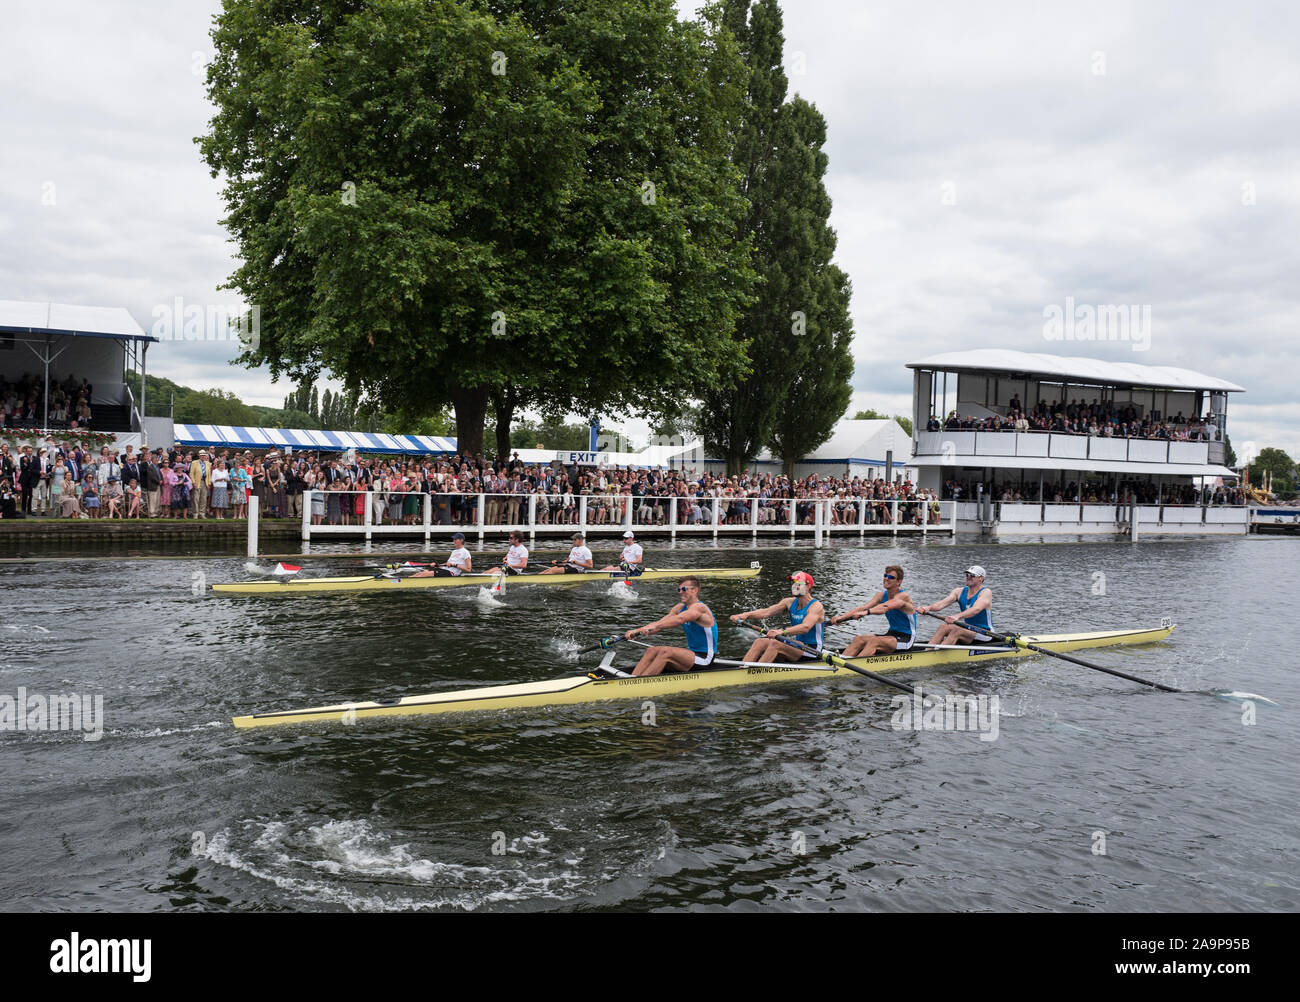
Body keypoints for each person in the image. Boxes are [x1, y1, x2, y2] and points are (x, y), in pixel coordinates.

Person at [614, 576, 718, 677]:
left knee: (665, 652)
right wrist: (637, 631)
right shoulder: (679, 608)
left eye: (683, 589)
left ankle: (639, 685)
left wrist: (648, 628)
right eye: (679, 589)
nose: (680, 592)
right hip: (691, 656)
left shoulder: (700, 608)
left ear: (695, 590)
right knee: (652, 650)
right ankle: (631, 679)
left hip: (705, 659)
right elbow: (659, 624)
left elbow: (679, 619)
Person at [729, 571, 826, 664]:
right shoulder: (789, 602)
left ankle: (755, 676)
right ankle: (743, 669)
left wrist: (781, 631)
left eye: (798, 583)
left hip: (813, 650)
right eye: (793, 583)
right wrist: (745, 615)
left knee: (775, 643)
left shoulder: (816, 606)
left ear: (808, 586)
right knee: (760, 642)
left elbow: (806, 627)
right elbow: (766, 612)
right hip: (798, 646)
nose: (794, 586)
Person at [830, 565, 917, 656]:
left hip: (906, 639)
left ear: (899, 582)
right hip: (891, 635)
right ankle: (840, 664)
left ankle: (855, 665)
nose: (886, 578)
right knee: (858, 639)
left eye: (891, 577)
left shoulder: (903, 597)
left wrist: (866, 612)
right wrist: (841, 618)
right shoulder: (881, 595)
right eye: (885, 576)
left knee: (874, 642)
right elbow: (862, 608)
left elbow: (885, 607)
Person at [917, 565, 996, 645]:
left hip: (984, 633)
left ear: (981, 578)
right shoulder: (959, 592)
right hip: (968, 630)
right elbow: (941, 604)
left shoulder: (985, 592)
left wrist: (957, 616)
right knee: (943, 627)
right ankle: (928, 651)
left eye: (972, 575)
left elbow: (976, 609)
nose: (968, 577)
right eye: (967, 575)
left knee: (956, 630)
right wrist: (927, 608)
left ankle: (937, 654)